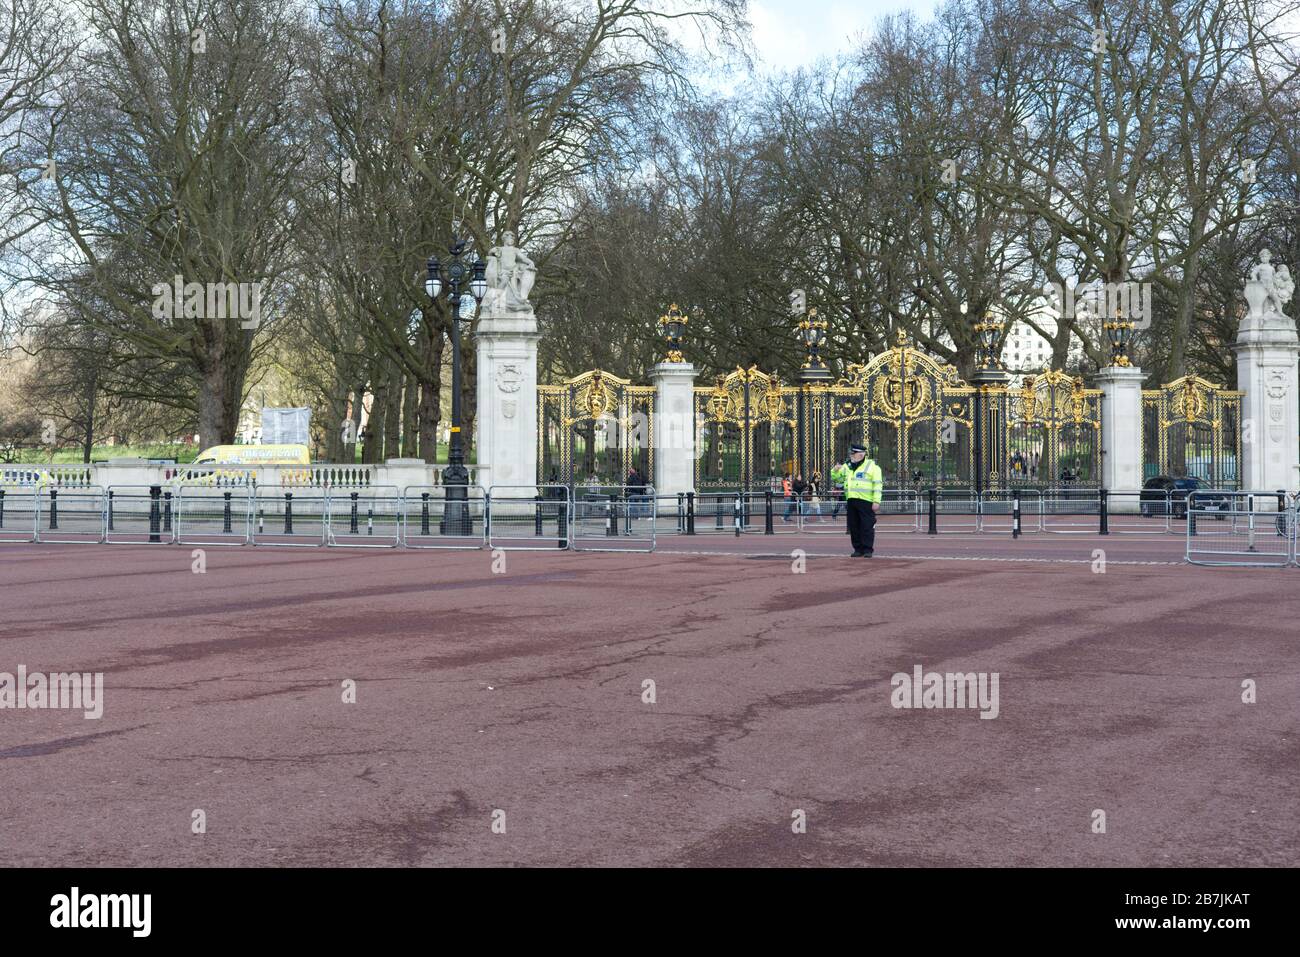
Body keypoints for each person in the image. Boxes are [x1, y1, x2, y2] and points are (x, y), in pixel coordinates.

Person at [830, 443, 884, 557]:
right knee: (854, 526)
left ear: (861, 455)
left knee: (867, 526)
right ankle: (857, 549)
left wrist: (876, 501)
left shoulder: (873, 467)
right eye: (851, 453)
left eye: (853, 454)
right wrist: (834, 470)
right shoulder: (847, 466)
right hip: (851, 500)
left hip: (866, 500)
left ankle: (868, 549)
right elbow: (837, 478)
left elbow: (878, 485)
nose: (851, 455)